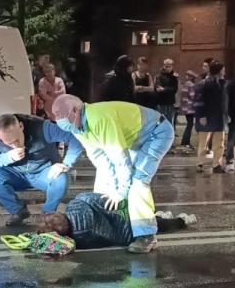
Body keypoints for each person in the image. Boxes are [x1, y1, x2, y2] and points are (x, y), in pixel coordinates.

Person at [50, 94, 174, 253]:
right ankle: (126, 221)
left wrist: (121, 192)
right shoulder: (77, 125)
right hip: (136, 139)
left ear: (76, 110)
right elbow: (99, 158)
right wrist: (109, 193)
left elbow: (120, 160)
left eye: (67, 121)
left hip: (157, 133)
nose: (68, 127)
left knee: (138, 181)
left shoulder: (99, 119)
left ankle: (147, 236)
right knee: (104, 179)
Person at [0, 113, 83, 226]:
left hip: (43, 172)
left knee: (62, 177)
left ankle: (48, 215)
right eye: (9, 143)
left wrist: (65, 164)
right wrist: (8, 157)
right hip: (15, 174)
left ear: (21, 126)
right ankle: (18, 211)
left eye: (17, 140)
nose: (15, 146)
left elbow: (75, 138)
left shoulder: (43, 127)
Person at [41, 193, 189, 250]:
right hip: (129, 217)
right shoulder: (77, 203)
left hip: (127, 235)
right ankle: (181, 220)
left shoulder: (79, 242)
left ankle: (176, 219)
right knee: (156, 223)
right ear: (60, 212)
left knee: (159, 225)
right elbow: (102, 199)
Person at [194, 60, 228, 173]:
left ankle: (216, 164)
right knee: (204, 142)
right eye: (223, 69)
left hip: (218, 116)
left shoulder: (223, 83)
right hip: (207, 116)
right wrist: (201, 115)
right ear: (219, 71)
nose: (224, 71)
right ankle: (200, 163)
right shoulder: (205, 83)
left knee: (219, 142)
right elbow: (198, 100)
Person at [155, 58, 179, 127]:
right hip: (161, 102)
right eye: (166, 66)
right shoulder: (159, 76)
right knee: (160, 120)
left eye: (169, 66)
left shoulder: (174, 77)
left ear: (172, 67)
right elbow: (157, 88)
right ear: (163, 66)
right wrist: (166, 89)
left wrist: (164, 89)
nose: (167, 68)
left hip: (170, 102)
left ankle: (168, 136)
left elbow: (174, 89)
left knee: (169, 121)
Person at [179, 70, 198, 149]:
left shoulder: (185, 85)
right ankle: (186, 142)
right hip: (190, 108)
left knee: (188, 125)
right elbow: (193, 96)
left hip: (185, 108)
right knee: (189, 125)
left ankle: (185, 141)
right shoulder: (191, 85)